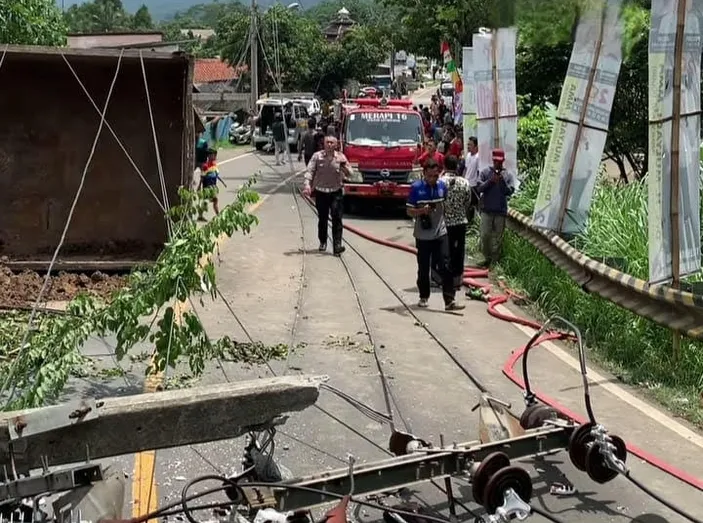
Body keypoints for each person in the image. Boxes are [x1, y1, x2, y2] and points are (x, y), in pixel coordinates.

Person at [406, 158, 465, 311]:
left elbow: (443, 205)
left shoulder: (442, 187)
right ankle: (424, 296)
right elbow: (409, 211)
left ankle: (449, 300)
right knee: (424, 267)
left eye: (436, 176)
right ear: (424, 174)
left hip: (440, 233)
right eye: (430, 176)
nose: (433, 179)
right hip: (423, 235)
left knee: (446, 265)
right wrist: (421, 211)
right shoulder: (416, 188)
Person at [303, 136, 350, 256]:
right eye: (327, 142)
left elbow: (351, 174)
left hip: (336, 192)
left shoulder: (341, 157)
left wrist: (344, 168)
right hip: (321, 192)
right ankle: (323, 241)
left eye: (331, 143)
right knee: (323, 219)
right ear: (323, 144)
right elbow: (310, 171)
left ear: (336, 145)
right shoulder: (317, 156)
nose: (329, 144)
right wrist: (307, 185)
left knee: (337, 218)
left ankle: (337, 246)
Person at [476, 148, 516, 267]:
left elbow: (509, 192)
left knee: (498, 238)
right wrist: (490, 181)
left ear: (503, 161)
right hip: (486, 210)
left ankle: (495, 261)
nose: (497, 164)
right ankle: (487, 258)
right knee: (485, 235)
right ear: (493, 161)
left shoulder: (507, 175)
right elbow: (479, 188)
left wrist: (502, 181)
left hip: (500, 211)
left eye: (500, 162)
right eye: (496, 161)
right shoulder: (485, 172)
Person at [438, 155, 472, 289]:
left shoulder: (441, 182)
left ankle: (446, 280)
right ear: (457, 166)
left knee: (446, 252)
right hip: (461, 222)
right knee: (459, 251)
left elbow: (438, 201)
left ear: (444, 166)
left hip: (445, 223)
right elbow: (468, 201)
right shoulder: (464, 182)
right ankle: (458, 280)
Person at [197, 147, 224, 218]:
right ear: (209, 156)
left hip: (213, 186)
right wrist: (199, 186)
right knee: (207, 201)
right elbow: (202, 176)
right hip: (207, 187)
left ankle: (202, 215)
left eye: (215, 155)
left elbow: (215, 174)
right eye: (213, 155)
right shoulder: (206, 166)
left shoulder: (214, 164)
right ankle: (218, 216)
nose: (215, 156)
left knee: (213, 200)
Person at [464, 136, 481, 225]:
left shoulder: (478, 157)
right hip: (466, 184)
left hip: (473, 185)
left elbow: (478, 172)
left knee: (473, 206)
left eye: (470, 145)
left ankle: (473, 223)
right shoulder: (468, 155)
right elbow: (466, 169)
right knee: (467, 205)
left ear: (476, 146)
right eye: (468, 144)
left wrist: (478, 185)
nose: (468, 146)